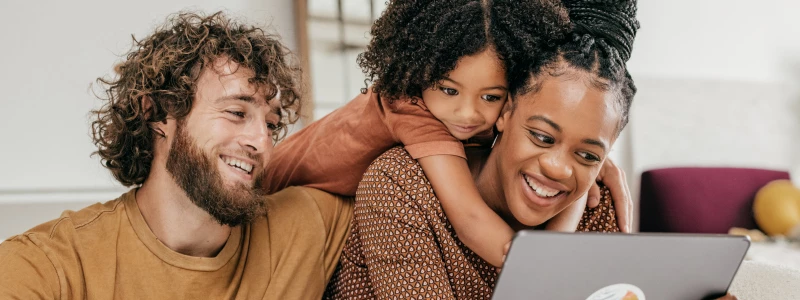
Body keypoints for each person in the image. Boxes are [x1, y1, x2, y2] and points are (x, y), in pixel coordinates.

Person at [323, 1, 736, 299]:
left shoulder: (595, 205)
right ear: (505, 111)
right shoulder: (401, 185)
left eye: (588, 155)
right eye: (541, 136)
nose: (557, 168)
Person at [0, 12, 353, 299]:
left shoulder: (306, 225)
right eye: (236, 112)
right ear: (157, 114)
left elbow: (380, 121)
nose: (262, 142)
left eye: (272, 125)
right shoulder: (46, 267)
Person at [262, 0, 633, 269]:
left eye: (491, 96)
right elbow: (470, 220)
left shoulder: (459, 110)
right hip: (268, 193)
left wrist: (586, 162)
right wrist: (553, 269)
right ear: (420, 71)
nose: (468, 113)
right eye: (449, 89)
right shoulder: (412, 109)